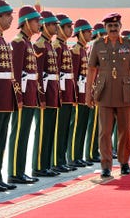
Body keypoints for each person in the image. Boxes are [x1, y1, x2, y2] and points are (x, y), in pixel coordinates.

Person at [85, 13, 130, 178]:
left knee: (125, 130)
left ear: (120, 27)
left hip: (125, 92)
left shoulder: (129, 44)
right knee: (105, 132)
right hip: (104, 93)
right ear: (105, 28)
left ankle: (124, 162)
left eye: (115, 26)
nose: (113, 29)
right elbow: (91, 70)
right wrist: (88, 93)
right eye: (109, 26)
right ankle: (106, 165)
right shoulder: (97, 45)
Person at [8, 5, 43, 184]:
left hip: (30, 95)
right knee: (19, 133)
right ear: (27, 22)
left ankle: (20, 170)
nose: (39, 24)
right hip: (22, 95)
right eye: (36, 21)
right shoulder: (18, 42)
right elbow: (16, 72)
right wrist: (18, 97)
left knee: (25, 134)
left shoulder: (28, 42)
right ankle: (14, 172)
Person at [32, 10, 61, 177]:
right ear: (46, 26)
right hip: (45, 95)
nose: (56, 27)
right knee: (42, 131)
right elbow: (39, 74)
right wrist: (41, 97)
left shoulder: (49, 44)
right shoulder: (40, 45)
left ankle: (46, 164)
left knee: (49, 131)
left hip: (53, 94)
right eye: (53, 25)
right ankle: (38, 166)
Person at [68, 19, 94, 167]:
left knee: (82, 125)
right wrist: (75, 96)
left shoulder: (84, 50)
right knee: (76, 126)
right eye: (88, 32)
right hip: (78, 93)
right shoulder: (76, 51)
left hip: (85, 92)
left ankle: (78, 155)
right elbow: (75, 75)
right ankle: (72, 156)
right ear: (81, 33)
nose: (91, 34)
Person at [53, 13, 77, 173]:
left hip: (68, 93)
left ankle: (61, 159)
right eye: (68, 26)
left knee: (65, 129)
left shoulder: (65, 46)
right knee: (59, 129)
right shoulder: (56, 46)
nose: (71, 29)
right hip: (61, 93)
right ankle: (56, 161)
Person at [0, 0, 18, 191]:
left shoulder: (3, 39)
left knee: (1, 140)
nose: (11, 19)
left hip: (5, 98)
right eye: (8, 15)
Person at [85, 22, 107, 163]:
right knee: (92, 123)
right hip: (95, 87)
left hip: (102, 87)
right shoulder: (94, 47)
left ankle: (94, 151)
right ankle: (90, 153)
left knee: (98, 123)